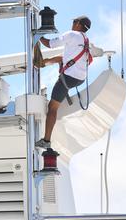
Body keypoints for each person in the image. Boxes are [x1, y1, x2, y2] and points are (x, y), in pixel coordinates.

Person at [35, 15, 93, 149]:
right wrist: (45, 62)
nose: (72, 24)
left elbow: (49, 44)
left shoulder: (72, 34)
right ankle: (43, 64)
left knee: (52, 108)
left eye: (74, 21)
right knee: (62, 62)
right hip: (79, 79)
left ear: (78, 24)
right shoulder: (85, 40)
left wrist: (37, 36)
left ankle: (46, 140)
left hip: (67, 78)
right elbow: (65, 58)